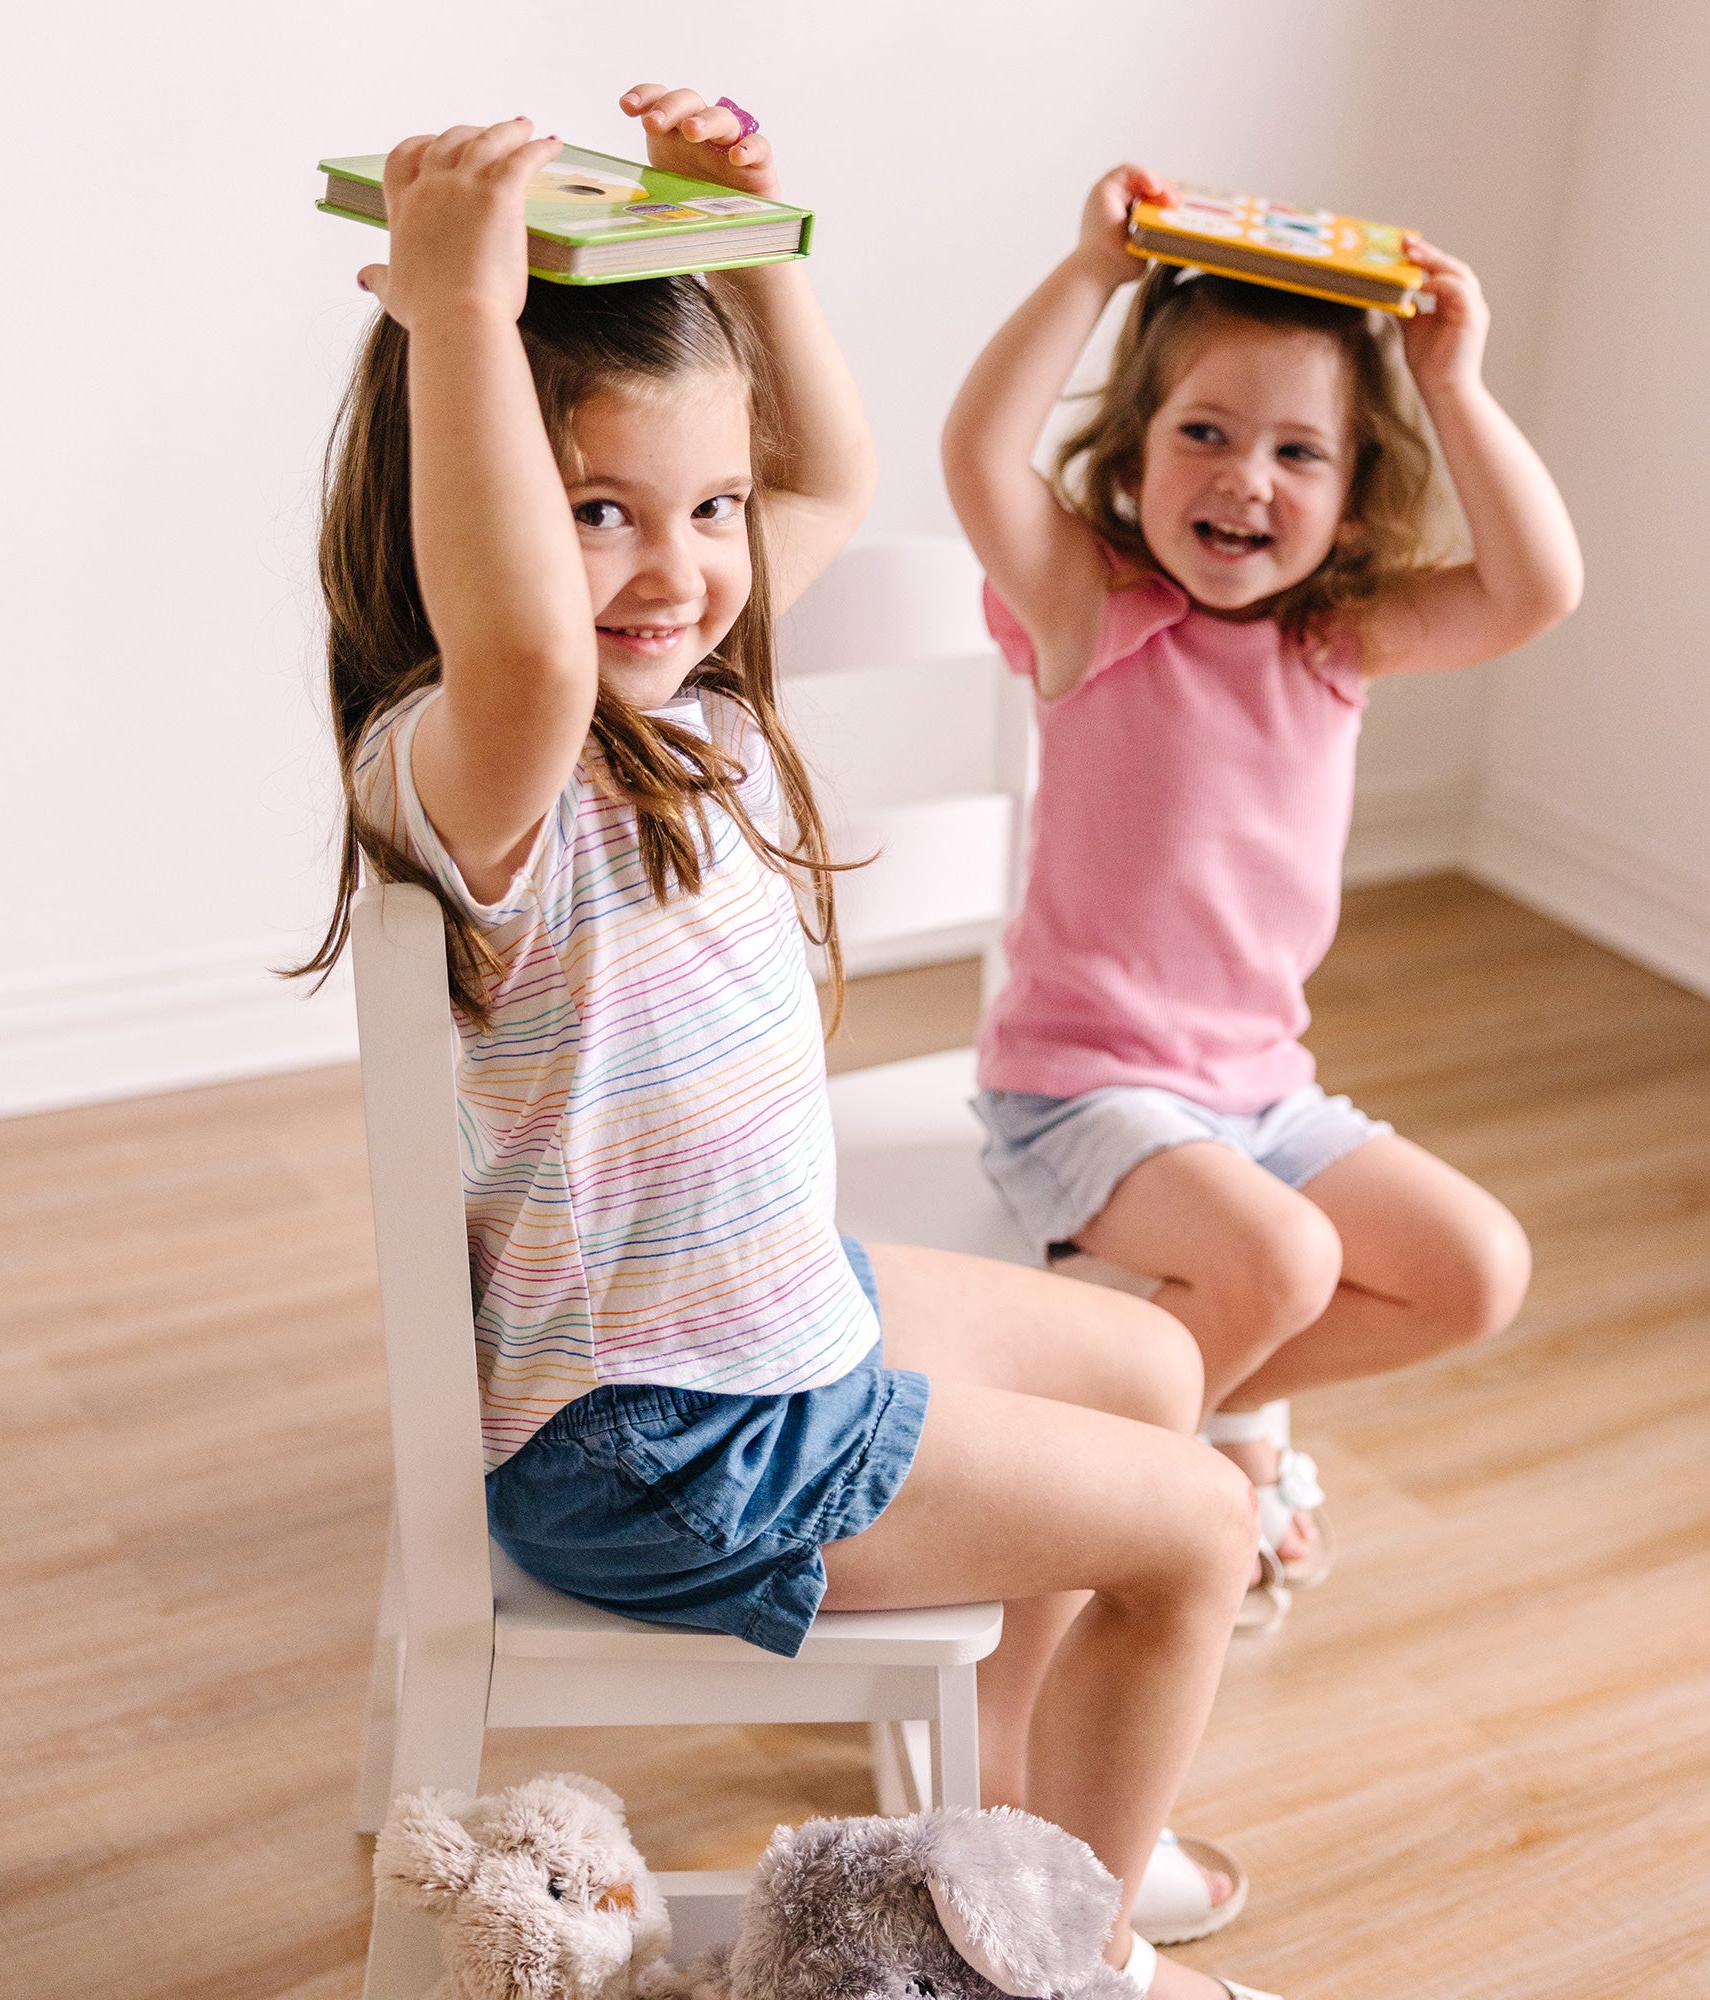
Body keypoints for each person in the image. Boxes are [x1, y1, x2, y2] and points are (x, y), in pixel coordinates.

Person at [298, 90, 1277, 1999]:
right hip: (667, 1440)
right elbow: (527, 649)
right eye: (596, 512)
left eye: (706, 510)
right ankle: (1065, 1963)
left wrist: (754, 239)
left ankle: (1017, 1820)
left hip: (764, 1320)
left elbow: (821, 476)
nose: (679, 569)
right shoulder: (484, 759)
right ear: (476, 495)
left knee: (1158, 1368)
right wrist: (459, 322)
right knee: (1201, 1527)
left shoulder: (702, 699)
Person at [943, 166, 1582, 1625]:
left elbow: (1537, 585)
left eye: (1302, 453)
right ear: (1137, 447)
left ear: (1353, 497)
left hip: (1261, 1096)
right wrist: (1090, 278)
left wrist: (1452, 382)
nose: (1246, 477)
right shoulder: (1095, 610)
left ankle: (1110, 1421)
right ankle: (1160, 1453)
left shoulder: (1336, 641)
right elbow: (981, 455)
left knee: (1476, 1269)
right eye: (1206, 434)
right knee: (1288, 1260)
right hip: (1084, 1091)